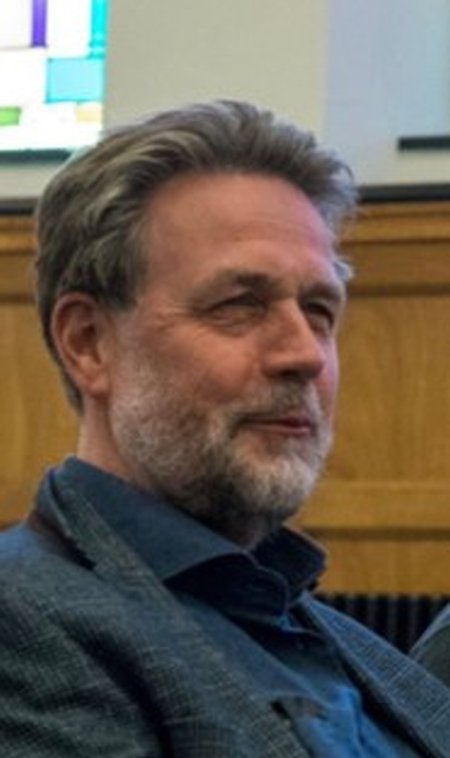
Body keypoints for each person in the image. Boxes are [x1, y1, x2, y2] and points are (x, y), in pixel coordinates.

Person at [0, 100, 448, 757]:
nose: (305, 353)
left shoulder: (344, 646)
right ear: (88, 343)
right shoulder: (26, 622)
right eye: (239, 305)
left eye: (319, 311)